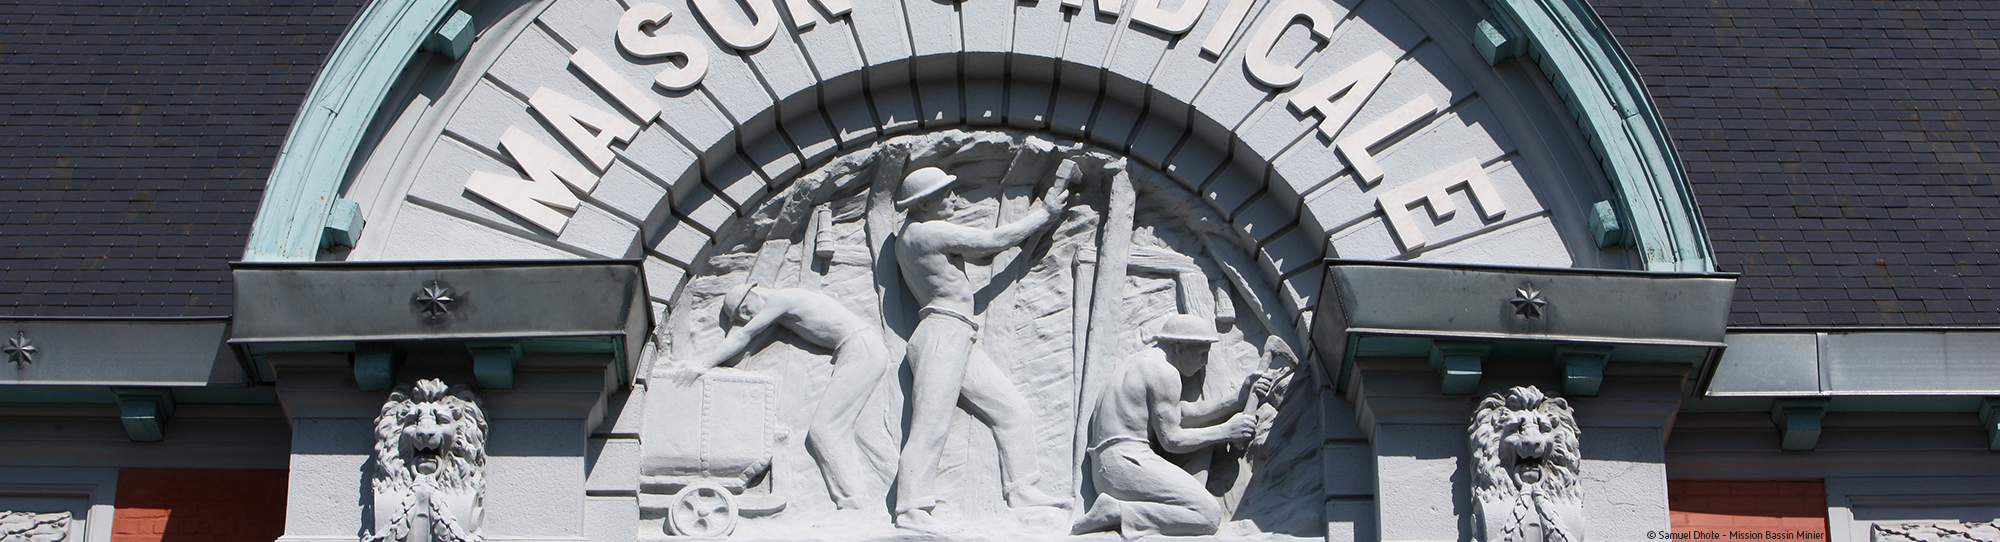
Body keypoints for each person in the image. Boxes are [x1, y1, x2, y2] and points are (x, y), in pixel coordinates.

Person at [891, 165, 1071, 533]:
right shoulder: (927, 232)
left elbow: (983, 255)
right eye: (944, 194)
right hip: (942, 335)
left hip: (957, 333)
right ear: (922, 204)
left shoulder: (911, 234)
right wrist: (1046, 214)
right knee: (931, 424)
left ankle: (1022, 490)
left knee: (1012, 411)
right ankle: (910, 509)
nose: (953, 199)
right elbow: (993, 241)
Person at [662, 283, 889, 510]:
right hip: (859, 350)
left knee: (825, 430)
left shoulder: (782, 299)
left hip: (861, 350)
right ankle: (865, 498)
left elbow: (744, 334)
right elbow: (740, 344)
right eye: (741, 316)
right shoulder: (776, 311)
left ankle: (854, 502)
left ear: (754, 292)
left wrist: (703, 365)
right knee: (849, 431)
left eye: (745, 310)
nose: (747, 317)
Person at [1071, 314, 1272, 539]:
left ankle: (1155, 508)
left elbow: (1181, 413)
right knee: (1207, 515)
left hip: (1112, 466)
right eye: (1202, 353)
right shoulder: (1164, 372)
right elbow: (1172, 440)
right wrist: (1227, 430)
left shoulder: (1141, 362)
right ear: (1179, 347)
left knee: (1202, 451)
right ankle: (1118, 511)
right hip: (1126, 464)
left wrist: (1237, 398)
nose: (1205, 361)